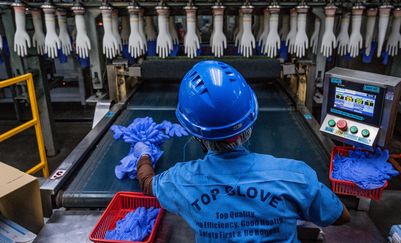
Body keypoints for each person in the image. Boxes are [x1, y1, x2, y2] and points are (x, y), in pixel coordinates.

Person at [135, 60, 350, 242]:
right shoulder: (296, 176)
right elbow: (341, 217)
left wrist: (143, 155)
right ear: (249, 123)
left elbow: (148, 184)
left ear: (197, 134)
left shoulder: (180, 181)